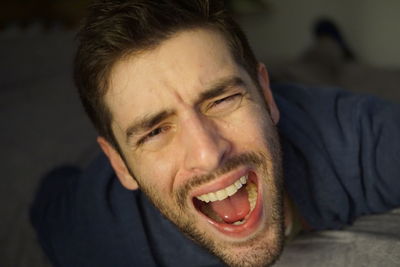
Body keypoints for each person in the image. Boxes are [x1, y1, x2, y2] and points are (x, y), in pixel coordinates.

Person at [31, 0, 400, 266]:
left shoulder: (355, 137)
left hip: (296, 102)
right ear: (120, 165)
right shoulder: (96, 231)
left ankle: (327, 44)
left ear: (265, 95)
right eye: (156, 131)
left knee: (316, 66)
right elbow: (45, 199)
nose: (208, 154)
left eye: (222, 99)